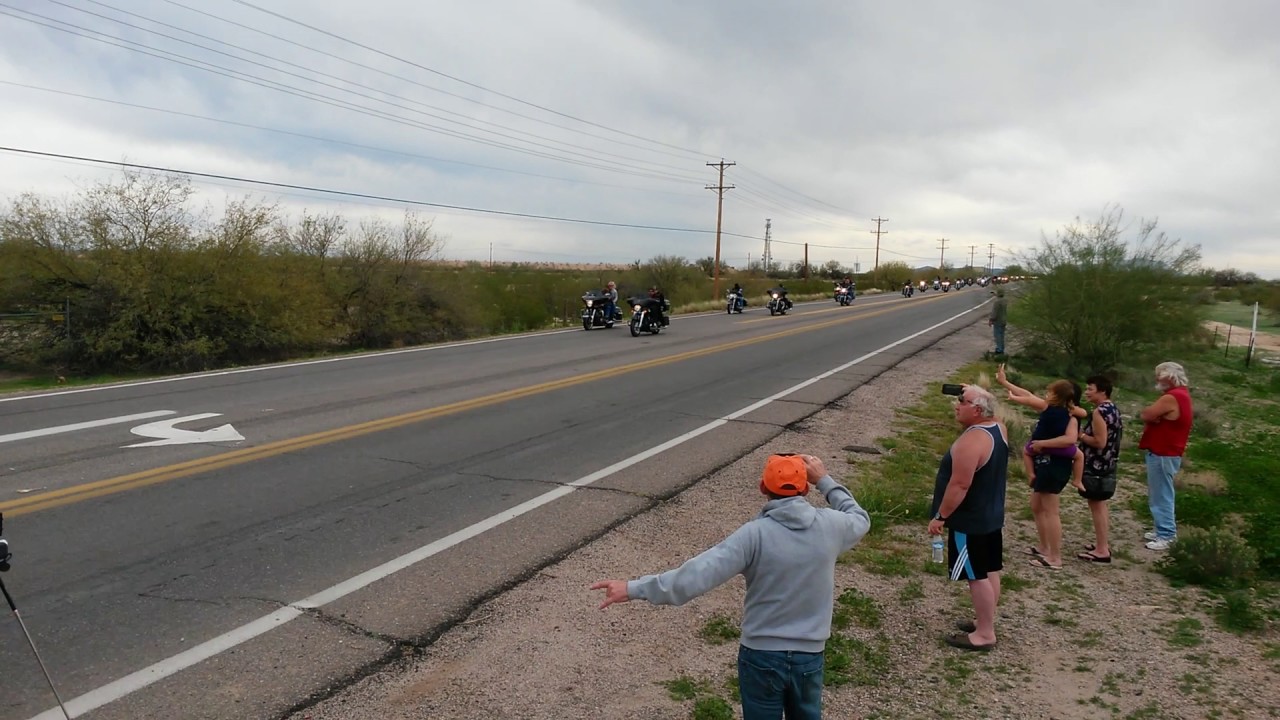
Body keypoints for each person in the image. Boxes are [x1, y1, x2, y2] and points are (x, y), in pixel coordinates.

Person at [591, 454, 870, 719]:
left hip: (761, 655)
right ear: (806, 490)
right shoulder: (831, 526)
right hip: (809, 656)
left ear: (763, 488)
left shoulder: (753, 535)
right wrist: (823, 478)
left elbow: (697, 575)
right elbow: (859, 518)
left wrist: (633, 588)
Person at [928, 385, 1008, 651]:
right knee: (990, 568)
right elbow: (991, 404)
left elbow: (960, 485)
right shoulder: (998, 427)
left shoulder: (972, 440)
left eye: (961, 401)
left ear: (977, 410)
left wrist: (941, 516)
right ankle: (985, 621)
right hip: (991, 514)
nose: (956, 405)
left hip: (970, 519)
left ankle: (985, 634)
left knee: (976, 575)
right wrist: (976, 390)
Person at [997, 368, 1085, 569]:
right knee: (1036, 506)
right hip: (1044, 463)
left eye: (1051, 392)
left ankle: (1055, 558)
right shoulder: (1056, 410)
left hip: (1053, 465)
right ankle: (1044, 546)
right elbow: (1027, 396)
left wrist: (1043, 444)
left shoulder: (1067, 414)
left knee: (1051, 511)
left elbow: (1070, 439)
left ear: (1059, 397)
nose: (1047, 394)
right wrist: (1005, 383)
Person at [1138, 362, 1193, 551]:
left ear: (1170, 377)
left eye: (1159, 375)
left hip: (1163, 451)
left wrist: (1154, 417)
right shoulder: (1182, 395)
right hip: (1168, 451)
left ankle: (1167, 534)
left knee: (1161, 494)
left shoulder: (1172, 397)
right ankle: (1161, 528)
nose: (1156, 379)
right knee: (1159, 492)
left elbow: (1146, 414)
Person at [1073, 375, 1124, 563]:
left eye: (1090, 389)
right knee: (1100, 505)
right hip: (1108, 462)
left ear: (1102, 391)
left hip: (1097, 464)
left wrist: (1081, 436)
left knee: (1096, 504)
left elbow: (1100, 442)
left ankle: (1102, 550)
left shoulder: (1099, 412)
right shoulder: (1113, 409)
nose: (1087, 392)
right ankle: (1102, 544)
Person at [989, 288, 1007, 355]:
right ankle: (1001, 348)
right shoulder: (1004, 301)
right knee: (1002, 335)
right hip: (1004, 320)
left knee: (997, 336)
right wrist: (994, 294)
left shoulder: (997, 302)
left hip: (998, 321)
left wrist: (991, 320)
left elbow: (994, 312)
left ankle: (999, 349)